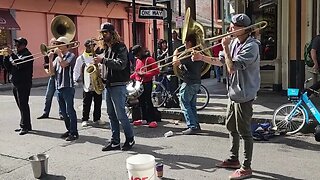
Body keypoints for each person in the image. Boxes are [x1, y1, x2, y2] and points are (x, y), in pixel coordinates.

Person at [193, 14, 260, 179]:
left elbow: (231, 68)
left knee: (245, 131)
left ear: (243, 28)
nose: (230, 28)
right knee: (231, 127)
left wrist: (226, 48)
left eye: (233, 26)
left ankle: (246, 167)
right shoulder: (235, 41)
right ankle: (233, 158)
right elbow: (220, 61)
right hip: (233, 93)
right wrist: (202, 57)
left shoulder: (252, 46)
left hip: (244, 94)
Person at [94, 22, 135, 151]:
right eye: (101, 33)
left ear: (112, 33)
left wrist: (104, 60)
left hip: (118, 84)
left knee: (121, 114)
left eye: (105, 33)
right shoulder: (106, 48)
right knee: (111, 114)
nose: (102, 35)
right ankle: (115, 141)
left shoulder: (120, 47)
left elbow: (121, 64)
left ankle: (130, 139)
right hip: (108, 84)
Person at [173, 33, 203, 135]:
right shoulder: (200, 54)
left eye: (185, 42)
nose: (184, 44)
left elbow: (175, 63)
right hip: (197, 82)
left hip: (189, 82)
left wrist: (175, 53)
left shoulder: (190, 54)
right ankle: (196, 124)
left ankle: (192, 126)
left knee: (185, 104)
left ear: (189, 43)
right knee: (192, 105)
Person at [48, 36, 78, 141]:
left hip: (68, 86)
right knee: (63, 112)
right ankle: (69, 129)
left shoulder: (71, 55)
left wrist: (59, 54)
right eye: (56, 43)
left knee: (70, 110)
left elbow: (64, 64)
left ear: (66, 45)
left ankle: (74, 133)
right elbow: (51, 73)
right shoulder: (57, 58)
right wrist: (51, 59)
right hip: (59, 87)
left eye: (60, 43)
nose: (57, 45)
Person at [3, 37, 34, 135]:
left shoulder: (27, 55)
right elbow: (8, 67)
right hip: (15, 83)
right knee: (20, 105)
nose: (15, 46)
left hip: (24, 83)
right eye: (15, 44)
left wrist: (12, 54)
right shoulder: (17, 55)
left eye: (18, 44)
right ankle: (25, 124)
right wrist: (6, 57)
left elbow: (20, 65)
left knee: (23, 104)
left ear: (23, 45)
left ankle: (25, 126)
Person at [73, 39, 103, 127]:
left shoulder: (97, 56)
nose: (92, 47)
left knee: (98, 101)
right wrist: (75, 79)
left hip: (96, 81)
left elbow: (101, 67)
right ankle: (85, 119)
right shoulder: (81, 58)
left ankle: (97, 118)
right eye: (90, 46)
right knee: (86, 102)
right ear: (85, 46)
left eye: (93, 46)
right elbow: (76, 69)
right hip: (87, 82)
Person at [130, 45, 160, 124]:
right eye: (135, 55)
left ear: (141, 52)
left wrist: (145, 74)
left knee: (148, 101)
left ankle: (152, 120)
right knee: (141, 101)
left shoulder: (149, 59)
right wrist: (130, 77)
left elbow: (156, 71)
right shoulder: (138, 60)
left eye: (137, 55)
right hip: (139, 83)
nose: (136, 57)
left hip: (147, 82)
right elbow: (136, 72)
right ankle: (144, 119)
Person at [37, 38, 63, 119]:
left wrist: (59, 54)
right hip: (52, 77)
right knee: (48, 95)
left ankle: (62, 113)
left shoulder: (60, 52)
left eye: (56, 43)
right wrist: (47, 71)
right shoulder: (48, 54)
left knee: (60, 97)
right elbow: (45, 65)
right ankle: (46, 112)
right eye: (53, 43)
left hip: (60, 77)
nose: (54, 45)